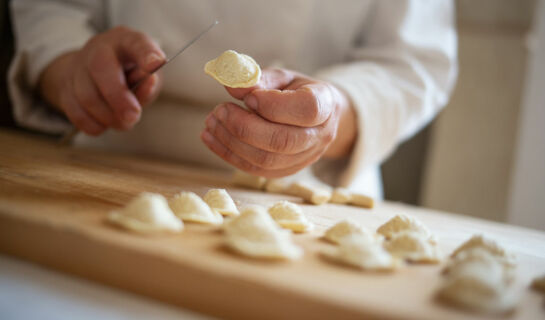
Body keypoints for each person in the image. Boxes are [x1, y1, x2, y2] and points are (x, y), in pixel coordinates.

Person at [8, 0, 457, 198]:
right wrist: (68, 69)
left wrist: (333, 112)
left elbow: (412, 62)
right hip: (105, 171)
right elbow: (52, 8)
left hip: (302, 191)